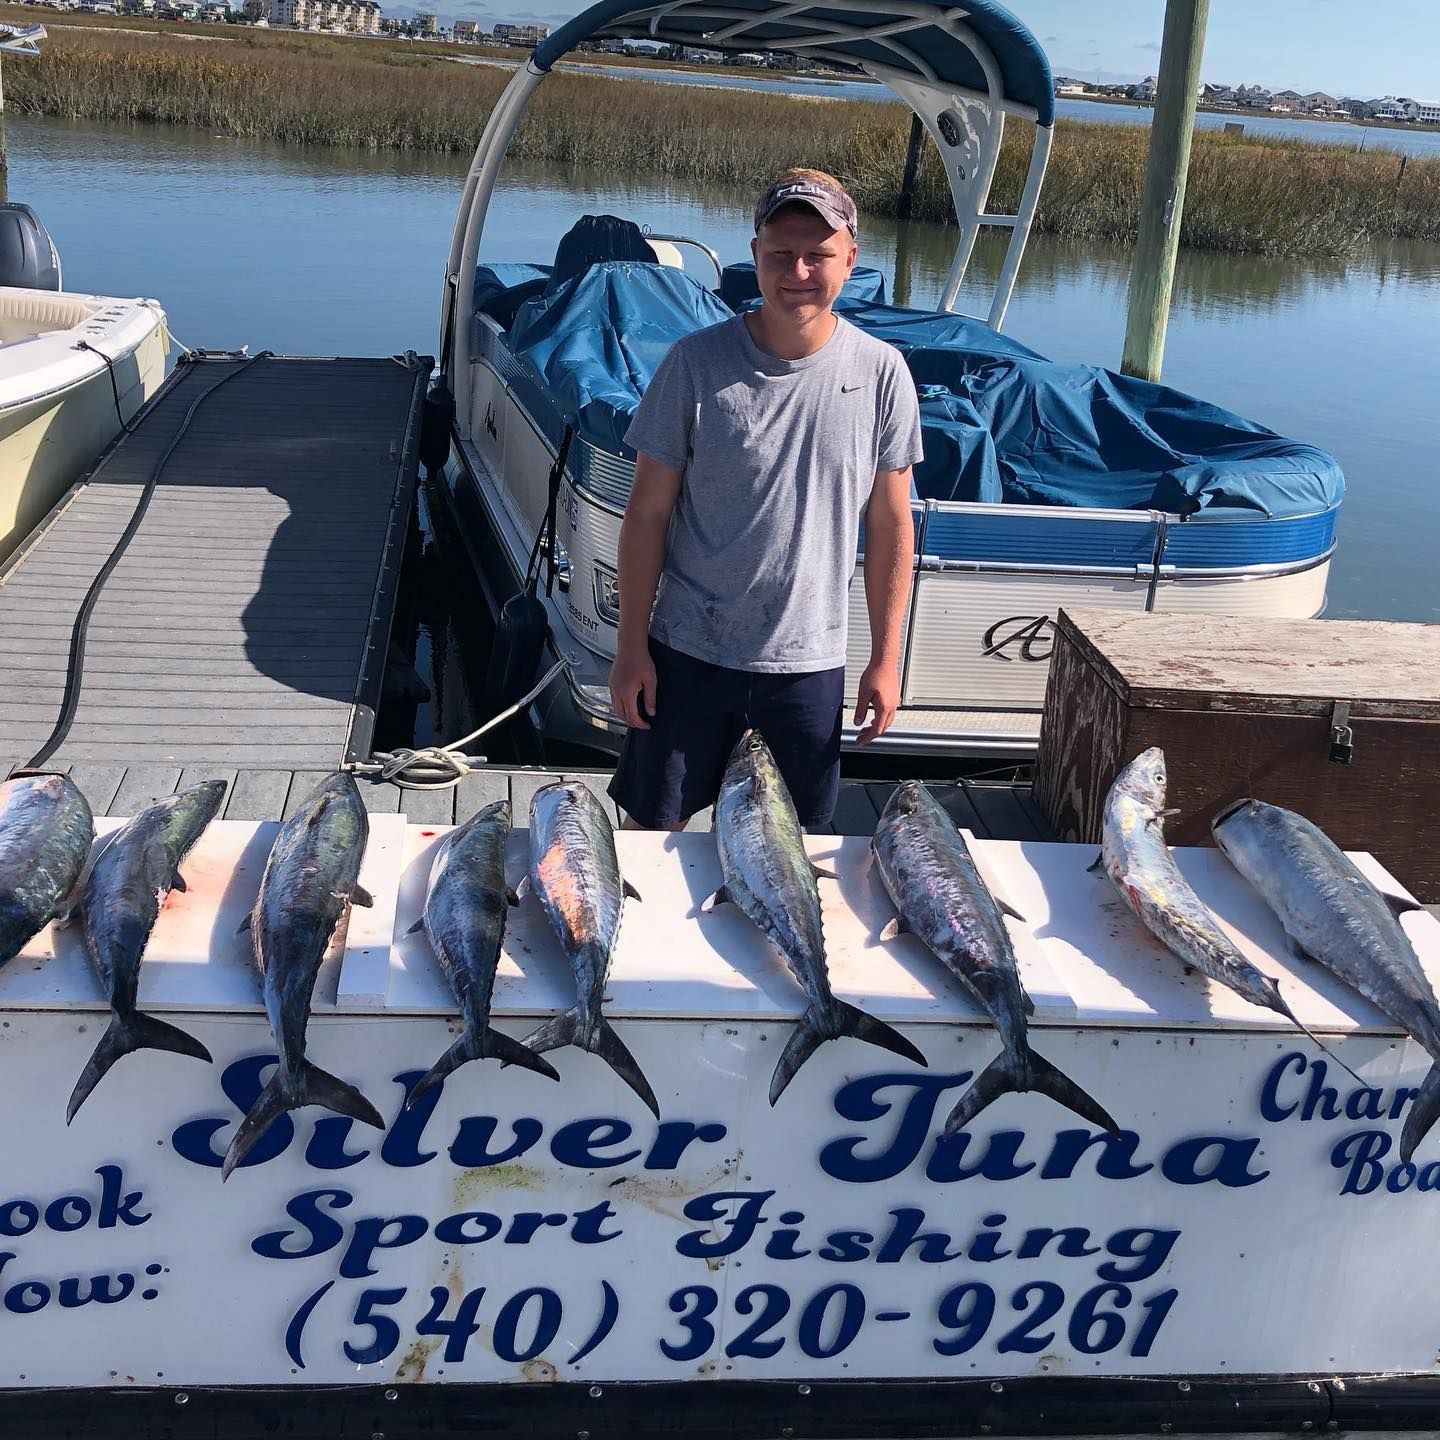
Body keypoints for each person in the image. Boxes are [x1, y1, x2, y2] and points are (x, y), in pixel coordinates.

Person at [606, 167, 922, 831]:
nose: (798, 271)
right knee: (650, 832)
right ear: (754, 256)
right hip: (688, 650)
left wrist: (886, 658)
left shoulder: (883, 373)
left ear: (851, 261)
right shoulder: (694, 364)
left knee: (790, 844)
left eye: (818, 255)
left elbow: (892, 524)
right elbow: (647, 513)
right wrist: (631, 647)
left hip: (808, 661)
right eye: (780, 254)